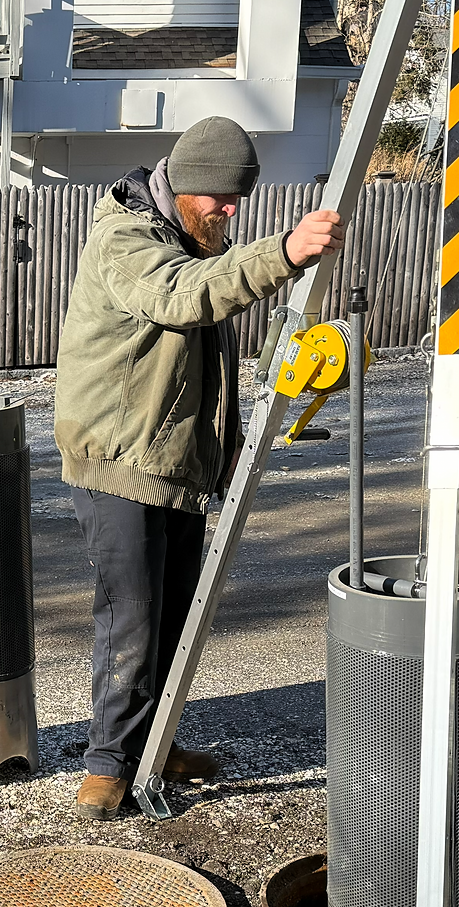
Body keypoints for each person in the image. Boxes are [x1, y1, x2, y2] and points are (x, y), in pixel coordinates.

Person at [54, 116, 343, 820]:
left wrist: (227, 444)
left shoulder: (189, 239)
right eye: (223, 197)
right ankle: (107, 767)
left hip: (176, 462)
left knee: (176, 618)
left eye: (237, 199)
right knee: (133, 620)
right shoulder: (126, 239)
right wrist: (285, 252)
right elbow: (183, 298)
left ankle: (155, 744)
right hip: (119, 462)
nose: (231, 210)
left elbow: (206, 368)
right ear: (187, 186)